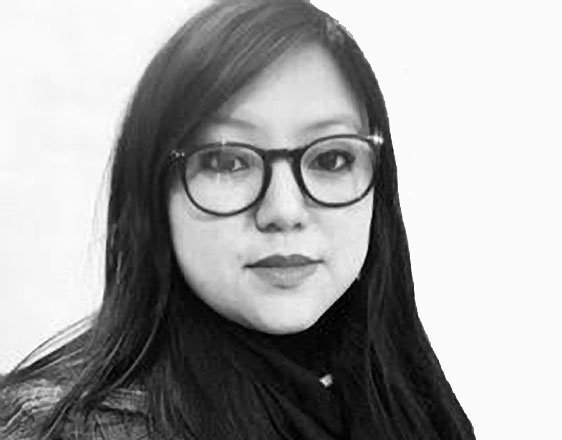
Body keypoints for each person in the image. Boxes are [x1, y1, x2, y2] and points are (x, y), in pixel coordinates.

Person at [0, 1, 475, 439]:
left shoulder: (408, 400)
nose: (284, 211)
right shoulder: (72, 428)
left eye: (331, 159)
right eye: (226, 162)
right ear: (153, 192)